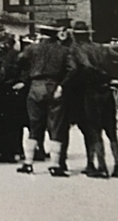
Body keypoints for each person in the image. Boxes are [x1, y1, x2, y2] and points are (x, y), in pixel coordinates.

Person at [17, 23, 76, 177]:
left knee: (34, 125)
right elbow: (73, 69)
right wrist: (62, 85)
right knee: (56, 126)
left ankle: (28, 162)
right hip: (54, 86)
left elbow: (20, 59)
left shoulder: (32, 49)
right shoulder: (64, 50)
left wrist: (29, 72)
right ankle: (55, 165)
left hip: (35, 87)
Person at [71, 21, 118, 178]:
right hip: (106, 91)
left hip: (88, 93)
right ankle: (117, 165)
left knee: (93, 131)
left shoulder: (76, 49)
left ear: (75, 35)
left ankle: (100, 166)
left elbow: (78, 69)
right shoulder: (102, 49)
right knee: (111, 131)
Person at [0, 24, 22, 163]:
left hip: (10, 90)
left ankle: (12, 151)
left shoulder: (14, 55)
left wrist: (21, 82)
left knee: (12, 122)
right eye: (0, 41)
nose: (3, 43)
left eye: (5, 40)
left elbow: (23, 70)